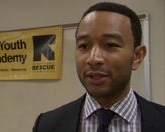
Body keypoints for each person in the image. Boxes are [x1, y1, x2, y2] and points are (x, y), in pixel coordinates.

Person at [33, 2, 165, 132]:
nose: (93, 58)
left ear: (137, 56)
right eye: (84, 46)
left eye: (110, 45)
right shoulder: (47, 125)